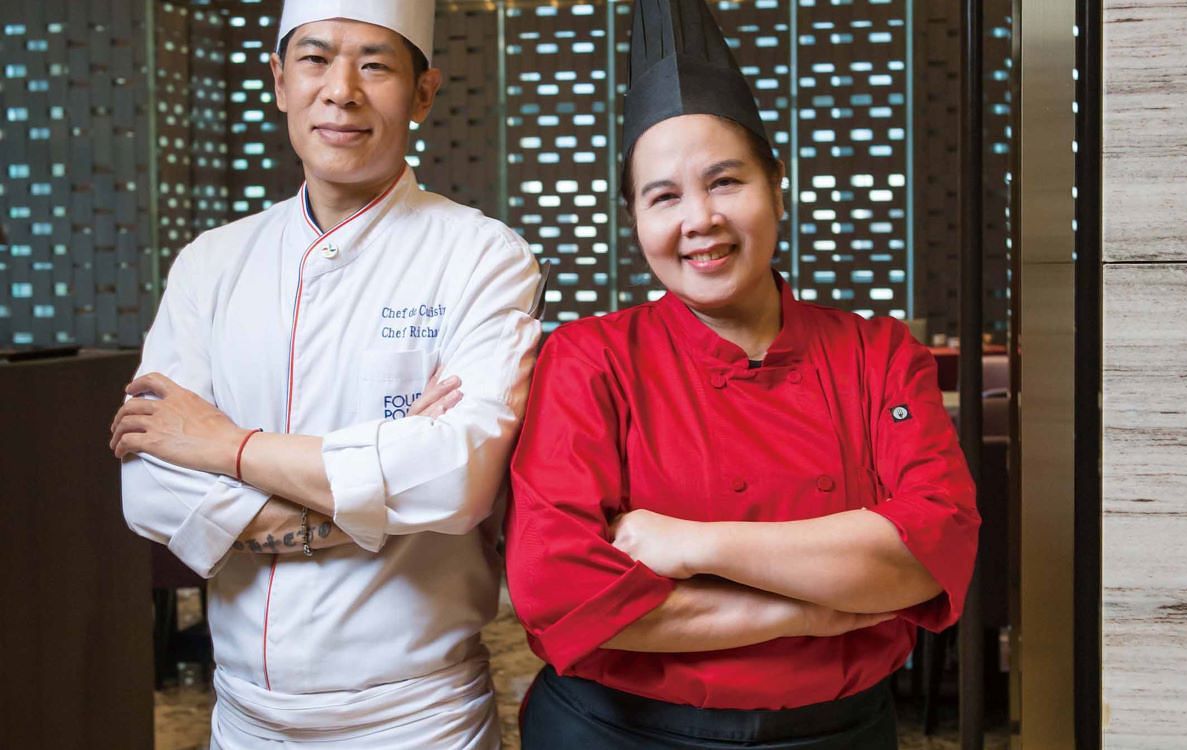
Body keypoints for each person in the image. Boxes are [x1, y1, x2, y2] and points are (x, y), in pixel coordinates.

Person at [504, 0, 980, 747]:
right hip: (619, 733)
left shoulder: (877, 353)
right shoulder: (589, 358)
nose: (700, 218)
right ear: (635, 219)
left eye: (725, 181)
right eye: (664, 196)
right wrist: (814, 610)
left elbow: (933, 547)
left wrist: (694, 545)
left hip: (838, 734)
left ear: (777, 186)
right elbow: (559, 590)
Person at [110, 1, 541, 746]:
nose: (341, 90)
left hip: (416, 721)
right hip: (243, 720)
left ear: (424, 93)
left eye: (374, 64)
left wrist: (226, 447)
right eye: (314, 59)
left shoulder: (482, 256)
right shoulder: (211, 263)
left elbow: (455, 479)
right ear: (280, 82)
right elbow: (151, 487)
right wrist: (377, 491)